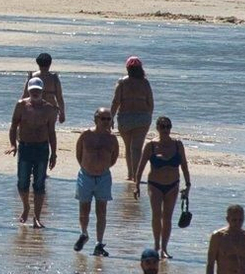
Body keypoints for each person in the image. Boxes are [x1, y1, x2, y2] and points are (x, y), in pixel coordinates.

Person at [136, 117, 189, 259]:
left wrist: (188, 184)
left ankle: (164, 248)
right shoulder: (151, 145)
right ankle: (156, 245)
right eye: (162, 127)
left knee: (167, 217)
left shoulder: (178, 145)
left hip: (173, 185)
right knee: (156, 215)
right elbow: (141, 166)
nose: (165, 130)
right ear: (157, 128)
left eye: (168, 127)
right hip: (155, 185)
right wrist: (137, 185)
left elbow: (184, 165)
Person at [9, 78, 57, 228]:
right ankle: (26, 207)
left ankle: (37, 217)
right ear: (29, 90)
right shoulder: (21, 105)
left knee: (39, 183)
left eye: (38, 90)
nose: (35, 92)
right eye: (32, 90)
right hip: (25, 146)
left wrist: (53, 153)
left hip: (42, 148)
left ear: (42, 91)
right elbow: (13, 126)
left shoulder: (49, 109)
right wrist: (13, 145)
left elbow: (51, 132)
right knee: (22, 181)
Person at [74, 109, 120, 256]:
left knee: (102, 211)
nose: (106, 122)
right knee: (84, 209)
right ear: (96, 119)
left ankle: (99, 243)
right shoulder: (86, 135)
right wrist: (89, 167)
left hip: (103, 177)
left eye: (109, 119)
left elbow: (113, 158)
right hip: (86, 176)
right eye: (103, 118)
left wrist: (101, 168)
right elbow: (78, 154)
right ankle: (84, 233)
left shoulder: (112, 139)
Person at [110, 57, 154, 183]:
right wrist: (149, 116)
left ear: (127, 68)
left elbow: (116, 101)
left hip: (125, 117)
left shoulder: (122, 82)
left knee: (129, 147)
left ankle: (131, 174)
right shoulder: (145, 83)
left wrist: (111, 117)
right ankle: (136, 175)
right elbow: (150, 102)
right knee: (136, 148)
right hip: (142, 117)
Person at [22, 52, 67, 124]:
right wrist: (62, 113)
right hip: (50, 110)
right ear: (50, 64)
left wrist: (21, 111)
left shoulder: (32, 77)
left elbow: (25, 96)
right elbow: (59, 97)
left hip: (34, 109)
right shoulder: (54, 78)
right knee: (49, 131)